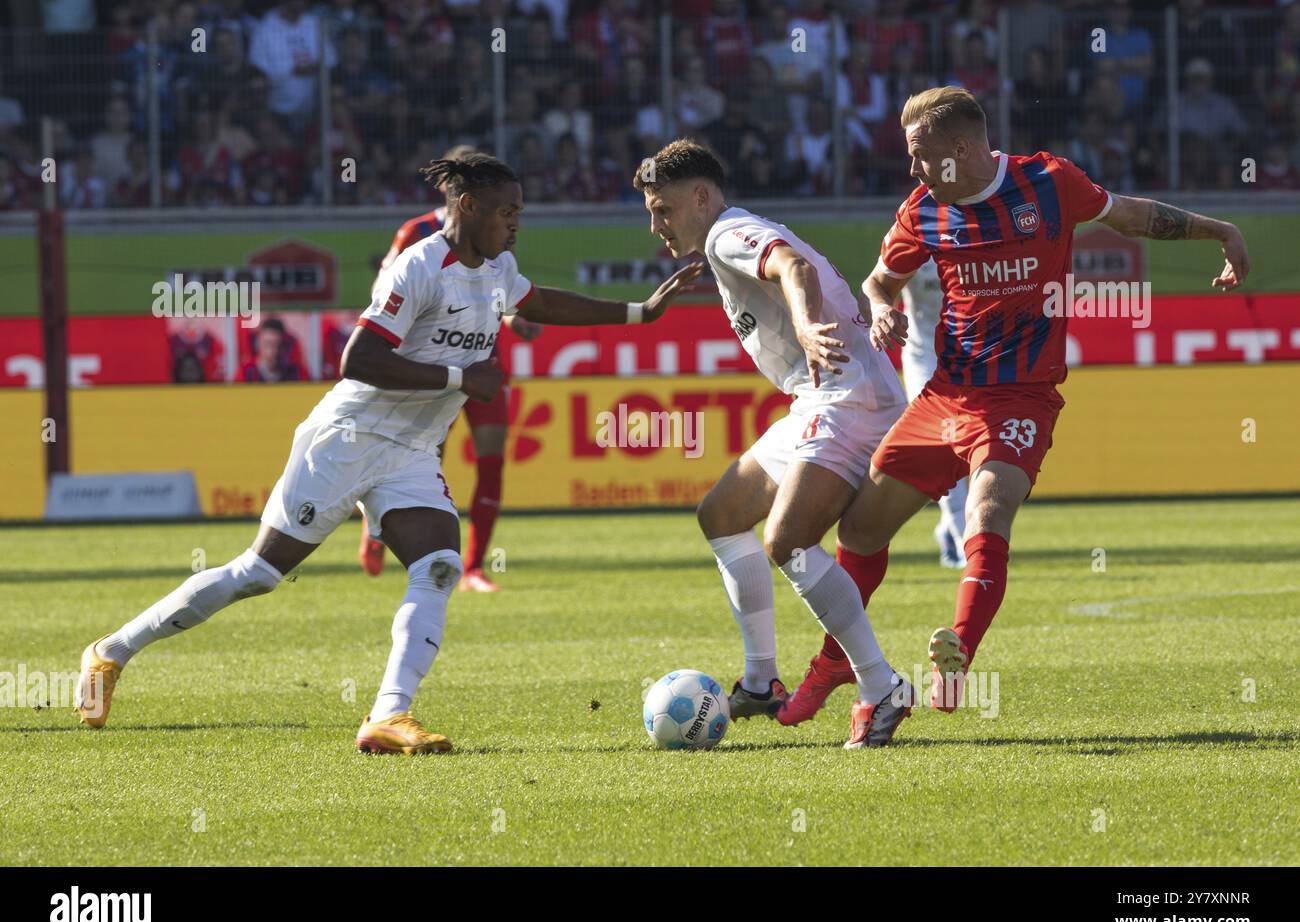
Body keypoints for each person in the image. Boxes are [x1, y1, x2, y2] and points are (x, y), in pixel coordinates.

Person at [75, 152, 702, 754]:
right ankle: (111, 651)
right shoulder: (419, 266)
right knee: (259, 574)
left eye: (520, 211)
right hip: (348, 440)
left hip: (411, 451)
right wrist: (462, 380)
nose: (515, 222)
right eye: (506, 210)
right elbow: (360, 359)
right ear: (466, 204)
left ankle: (387, 715)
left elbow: (538, 301)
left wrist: (639, 313)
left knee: (438, 565)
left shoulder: (496, 270)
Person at [834, 86, 1248, 715]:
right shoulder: (922, 208)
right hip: (949, 392)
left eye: (921, 154)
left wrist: (1218, 229)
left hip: (1022, 394)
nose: (913, 168)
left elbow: (1130, 216)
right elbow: (879, 280)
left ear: (963, 148)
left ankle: (957, 657)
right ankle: (829, 670)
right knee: (861, 527)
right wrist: (884, 308)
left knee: (988, 508)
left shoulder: (1050, 183)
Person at [633, 139, 914, 749]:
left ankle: (880, 684)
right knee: (721, 514)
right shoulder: (727, 235)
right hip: (821, 398)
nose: (656, 225)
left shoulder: (725, 234)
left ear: (702, 197)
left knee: (786, 541)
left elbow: (795, 266)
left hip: (848, 399)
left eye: (664, 209)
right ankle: (760, 680)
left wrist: (810, 324)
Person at [356, 146, 544, 592]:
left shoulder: (493, 229)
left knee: (493, 457)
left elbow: (498, 294)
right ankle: (385, 523)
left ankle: (475, 567)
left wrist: (517, 319)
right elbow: (385, 293)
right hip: (427, 366)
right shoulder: (417, 235)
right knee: (424, 460)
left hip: (483, 363)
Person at [900, 258, 967, 568]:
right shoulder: (913, 238)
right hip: (923, 358)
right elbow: (877, 287)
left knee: (972, 450)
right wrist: (880, 309)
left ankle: (948, 528)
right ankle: (968, 543)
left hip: (969, 358)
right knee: (944, 446)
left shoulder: (978, 238)